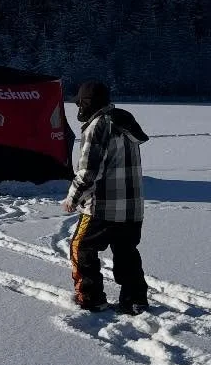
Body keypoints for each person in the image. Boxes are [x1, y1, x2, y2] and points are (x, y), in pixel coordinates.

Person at [61, 80, 150, 314]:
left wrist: (73, 198)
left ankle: (90, 298)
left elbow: (89, 171)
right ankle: (135, 300)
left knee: (80, 247)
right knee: (126, 252)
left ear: (86, 104)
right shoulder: (125, 122)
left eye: (80, 103)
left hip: (102, 208)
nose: (78, 109)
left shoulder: (98, 126)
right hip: (132, 209)